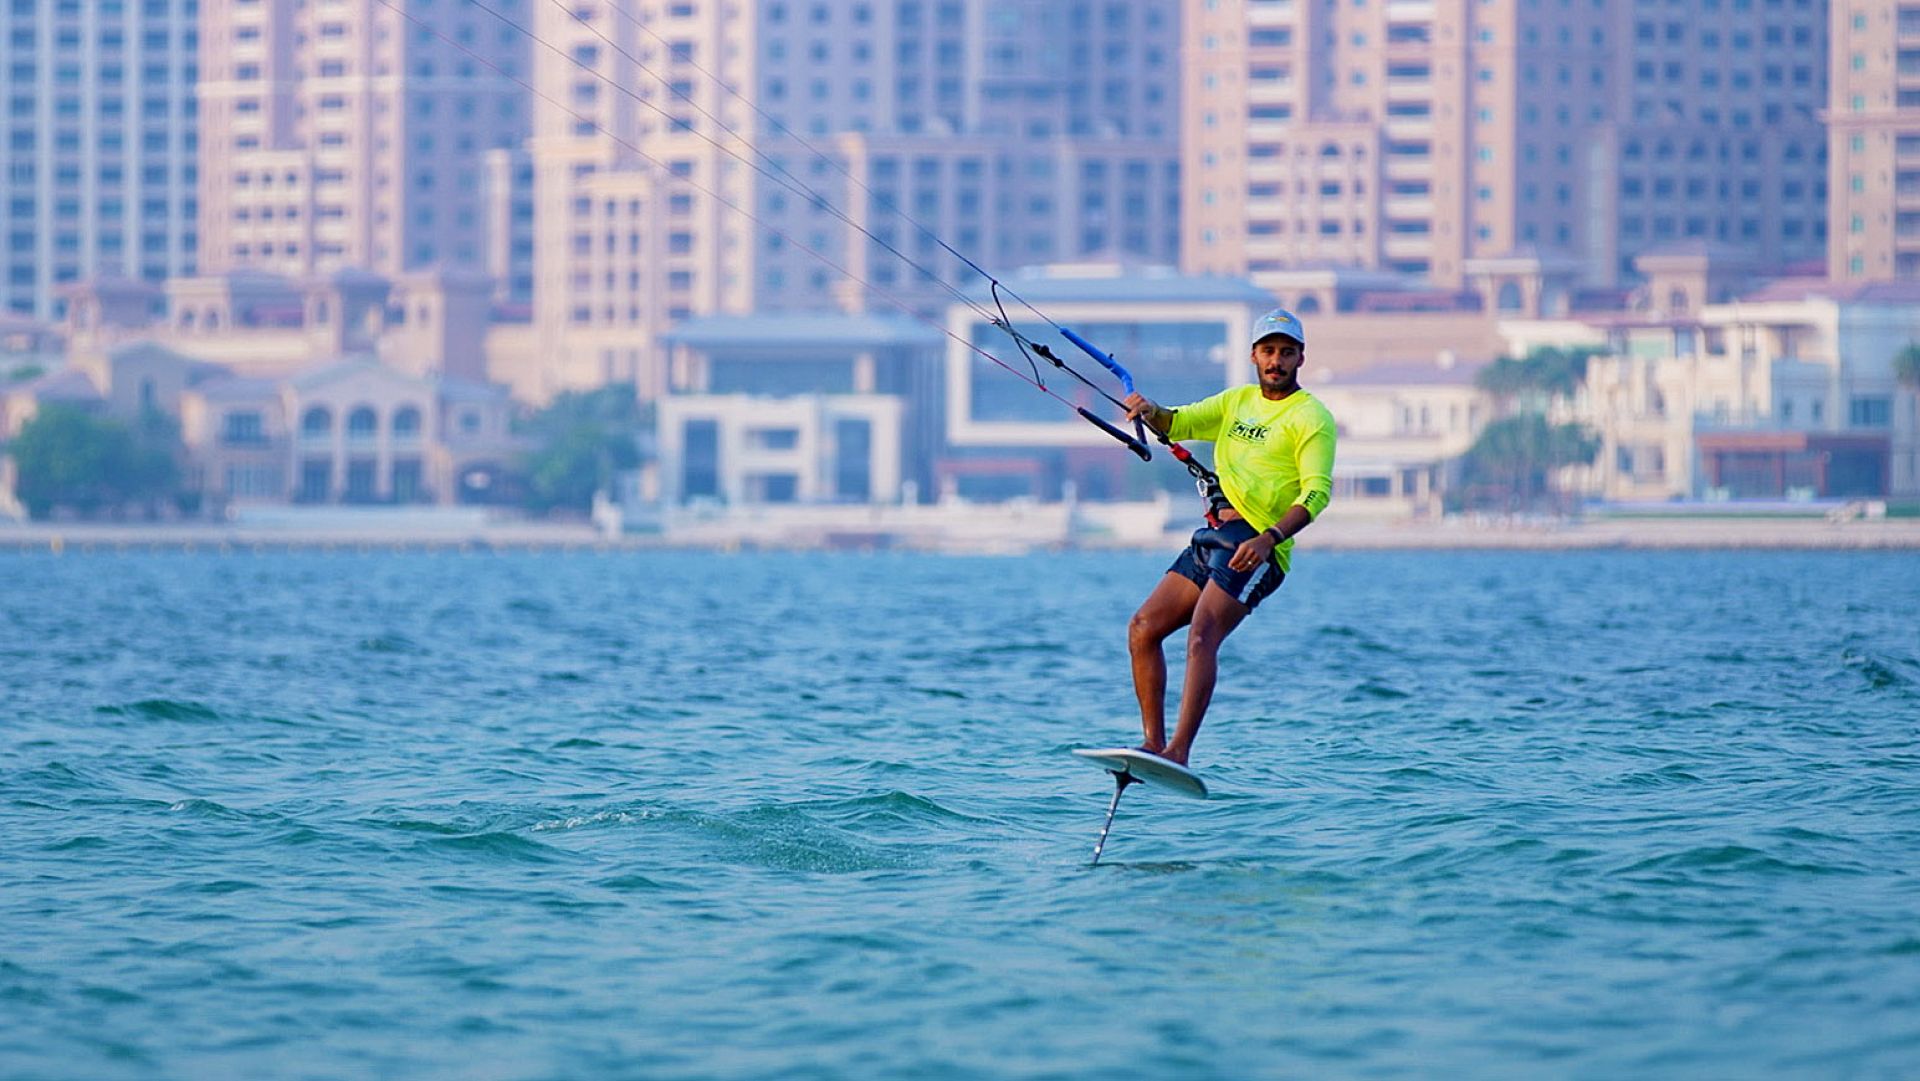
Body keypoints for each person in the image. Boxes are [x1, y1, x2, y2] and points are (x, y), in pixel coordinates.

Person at [1119, 308, 1336, 766]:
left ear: (1301, 358)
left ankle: (1179, 752)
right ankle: (1153, 744)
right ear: (1254, 355)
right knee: (1143, 628)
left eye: (1286, 352)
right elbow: (1175, 422)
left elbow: (1317, 494)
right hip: (1215, 537)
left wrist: (1269, 539)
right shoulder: (1235, 402)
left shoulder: (1311, 416)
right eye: (1268, 351)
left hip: (1259, 548)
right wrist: (1150, 410)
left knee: (1202, 636)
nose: (1276, 361)